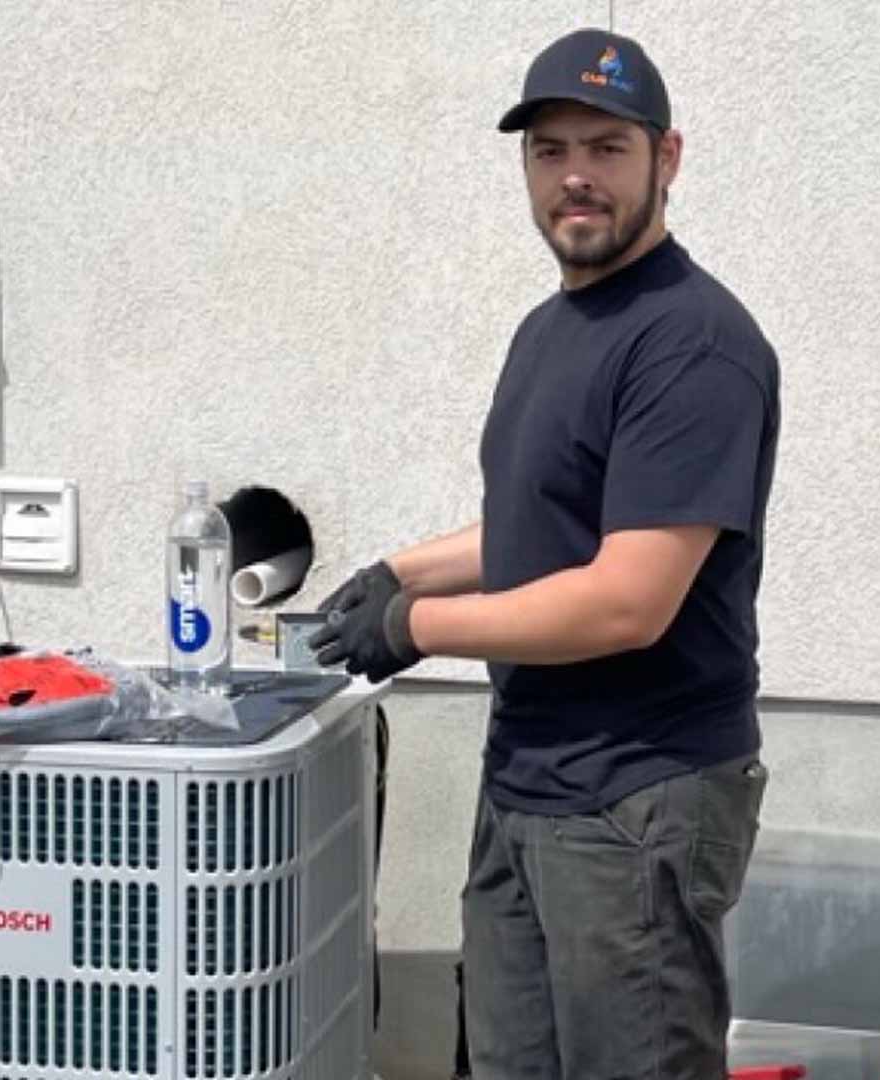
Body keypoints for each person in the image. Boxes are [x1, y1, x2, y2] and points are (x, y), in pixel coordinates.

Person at [309, 26, 780, 1080]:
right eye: (548, 148)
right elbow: (547, 525)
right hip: (528, 781)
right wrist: (403, 571)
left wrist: (414, 626)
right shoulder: (551, 328)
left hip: (637, 804)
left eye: (607, 148)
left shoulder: (692, 343)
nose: (574, 175)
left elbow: (625, 599)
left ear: (667, 159)